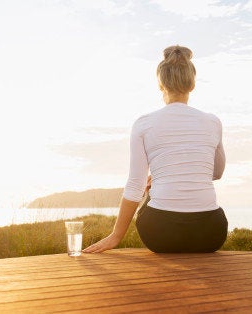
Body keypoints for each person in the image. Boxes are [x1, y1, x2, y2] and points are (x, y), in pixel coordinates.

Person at [83, 45, 227, 254]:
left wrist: (115, 237)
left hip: (161, 234)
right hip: (211, 234)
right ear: (192, 85)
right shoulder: (213, 122)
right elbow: (216, 173)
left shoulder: (144, 124)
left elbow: (135, 185)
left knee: (151, 190)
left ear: (161, 85)